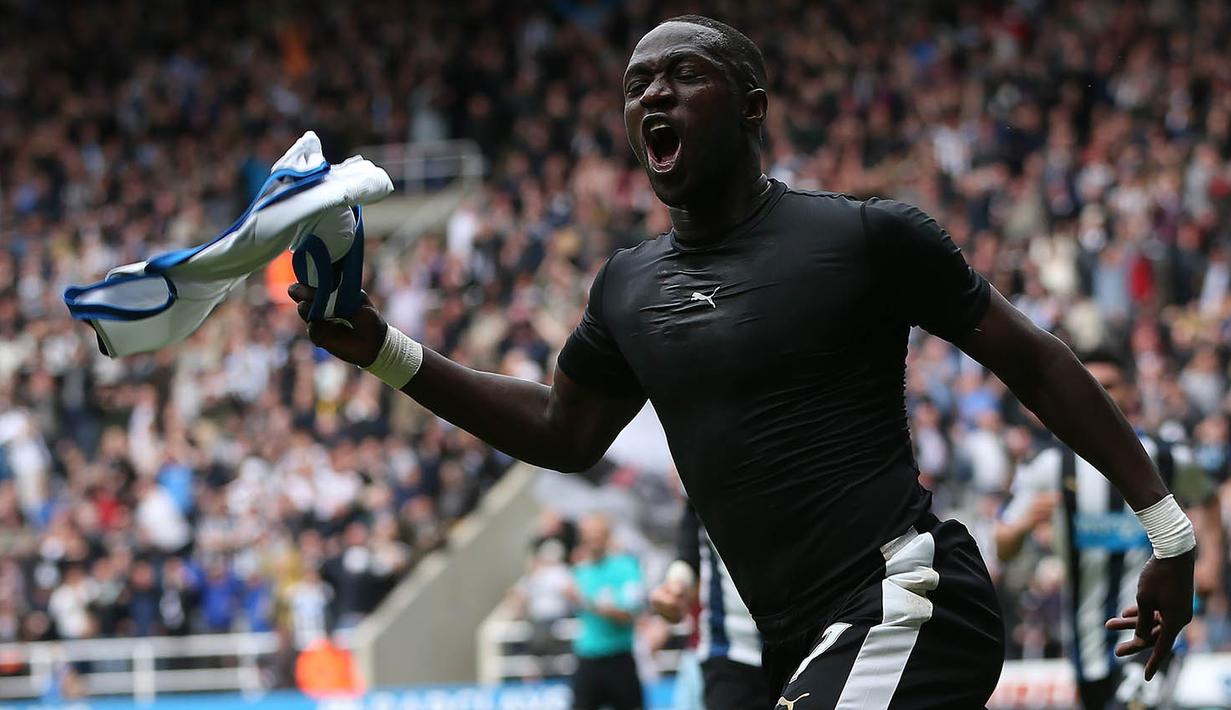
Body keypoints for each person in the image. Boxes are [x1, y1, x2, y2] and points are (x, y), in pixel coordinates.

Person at [290, 15, 1196, 707]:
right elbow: (560, 432)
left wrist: (1168, 532)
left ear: (753, 107)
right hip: (790, 637)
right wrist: (385, 351)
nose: (653, 94)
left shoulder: (862, 237)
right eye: (637, 82)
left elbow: (1033, 363)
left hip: (907, 601)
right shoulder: (627, 287)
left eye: (684, 75)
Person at [996, 349, 1224, 709]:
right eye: (1093, 385)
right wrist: (1022, 525)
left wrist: (1211, 562)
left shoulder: (1165, 457)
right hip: (1085, 641)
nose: (1102, 394)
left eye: (1111, 385)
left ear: (1131, 391)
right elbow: (1003, 544)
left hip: (1150, 633)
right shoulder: (1050, 465)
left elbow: (1208, 501)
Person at [650, 502, 773, 709]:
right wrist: (675, 587)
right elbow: (688, 554)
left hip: (805, 645)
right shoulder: (702, 478)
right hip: (730, 650)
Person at [565, 514, 645, 710]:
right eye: (588, 536)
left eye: (597, 535)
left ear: (607, 536)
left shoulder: (626, 567)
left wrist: (588, 603)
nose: (593, 541)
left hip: (619, 659)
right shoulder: (580, 572)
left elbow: (628, 615)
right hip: (588, 658)